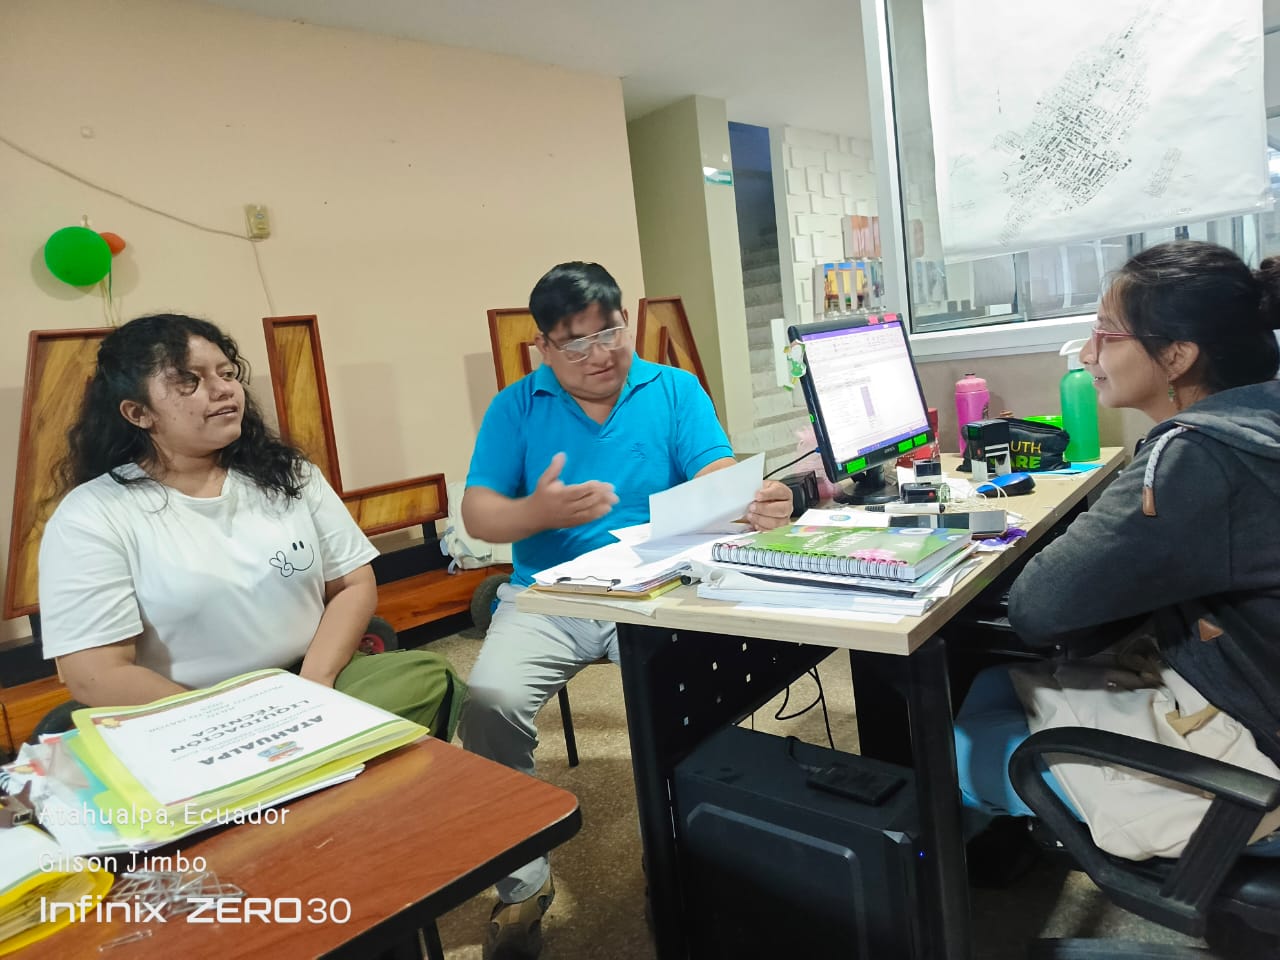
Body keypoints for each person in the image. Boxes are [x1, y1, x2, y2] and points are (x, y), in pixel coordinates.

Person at [460, 261, 793, 959]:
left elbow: (712, 469)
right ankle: (523, 885)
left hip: (654, 587)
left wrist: (748, 499)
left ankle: (675, 858)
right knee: (489, 700)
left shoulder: (672, 387)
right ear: (543, 347)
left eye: (609, 331)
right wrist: (536, 512)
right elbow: (480, 514)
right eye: (575, 342)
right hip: (548, 596)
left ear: (625, 321)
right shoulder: (515, 408)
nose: (600, 353)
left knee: (686, 700)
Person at [954, 240, 1280, 856]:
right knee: (995, 678)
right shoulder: (1261, 413)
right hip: (1247, 685)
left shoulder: (1193, 458)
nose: (1087, 354)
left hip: (1256, 754)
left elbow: (1038, 609)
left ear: (1177, 355)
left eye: (1105, 334)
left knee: (956, 746)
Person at [37, 313, 464, 739]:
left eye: (226, 373)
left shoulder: (288, 474)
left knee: (427, 678)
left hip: (311, 678)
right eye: (190, 380)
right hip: (188, 710)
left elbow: (353, 583)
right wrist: (231, 725)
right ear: (138, 412)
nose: (224, 388)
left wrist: (315, 687)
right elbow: (94, 672)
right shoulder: (92, 515)